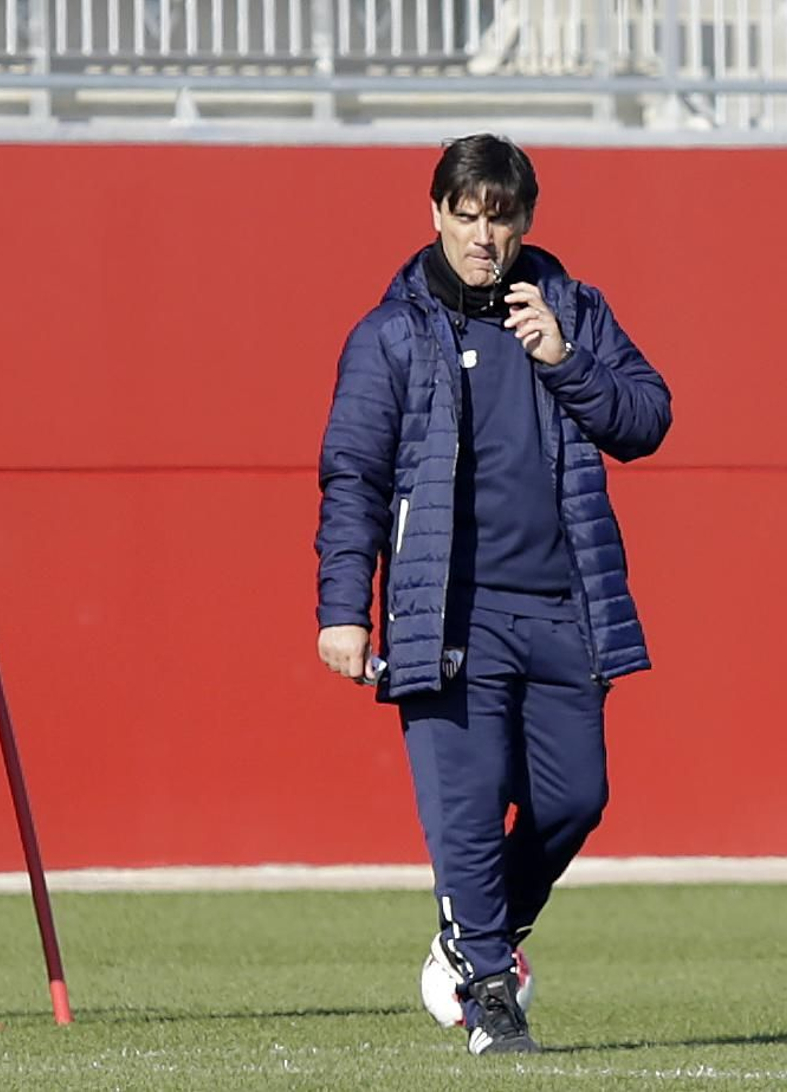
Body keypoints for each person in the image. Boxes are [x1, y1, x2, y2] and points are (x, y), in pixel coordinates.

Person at [313, 134, 671, 1055]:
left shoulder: (573, 310)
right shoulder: (389, 331)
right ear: (435, 214)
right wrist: (344, 609)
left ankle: (477, 938)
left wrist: (564, 359)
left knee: (574, 800)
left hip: (563, 606)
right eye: (465, 216)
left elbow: (647, 419)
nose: (482, 236)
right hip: (446, 615)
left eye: (499, 217)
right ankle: (487, 989)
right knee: (465, 814)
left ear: (525, 221)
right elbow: (351, 475)